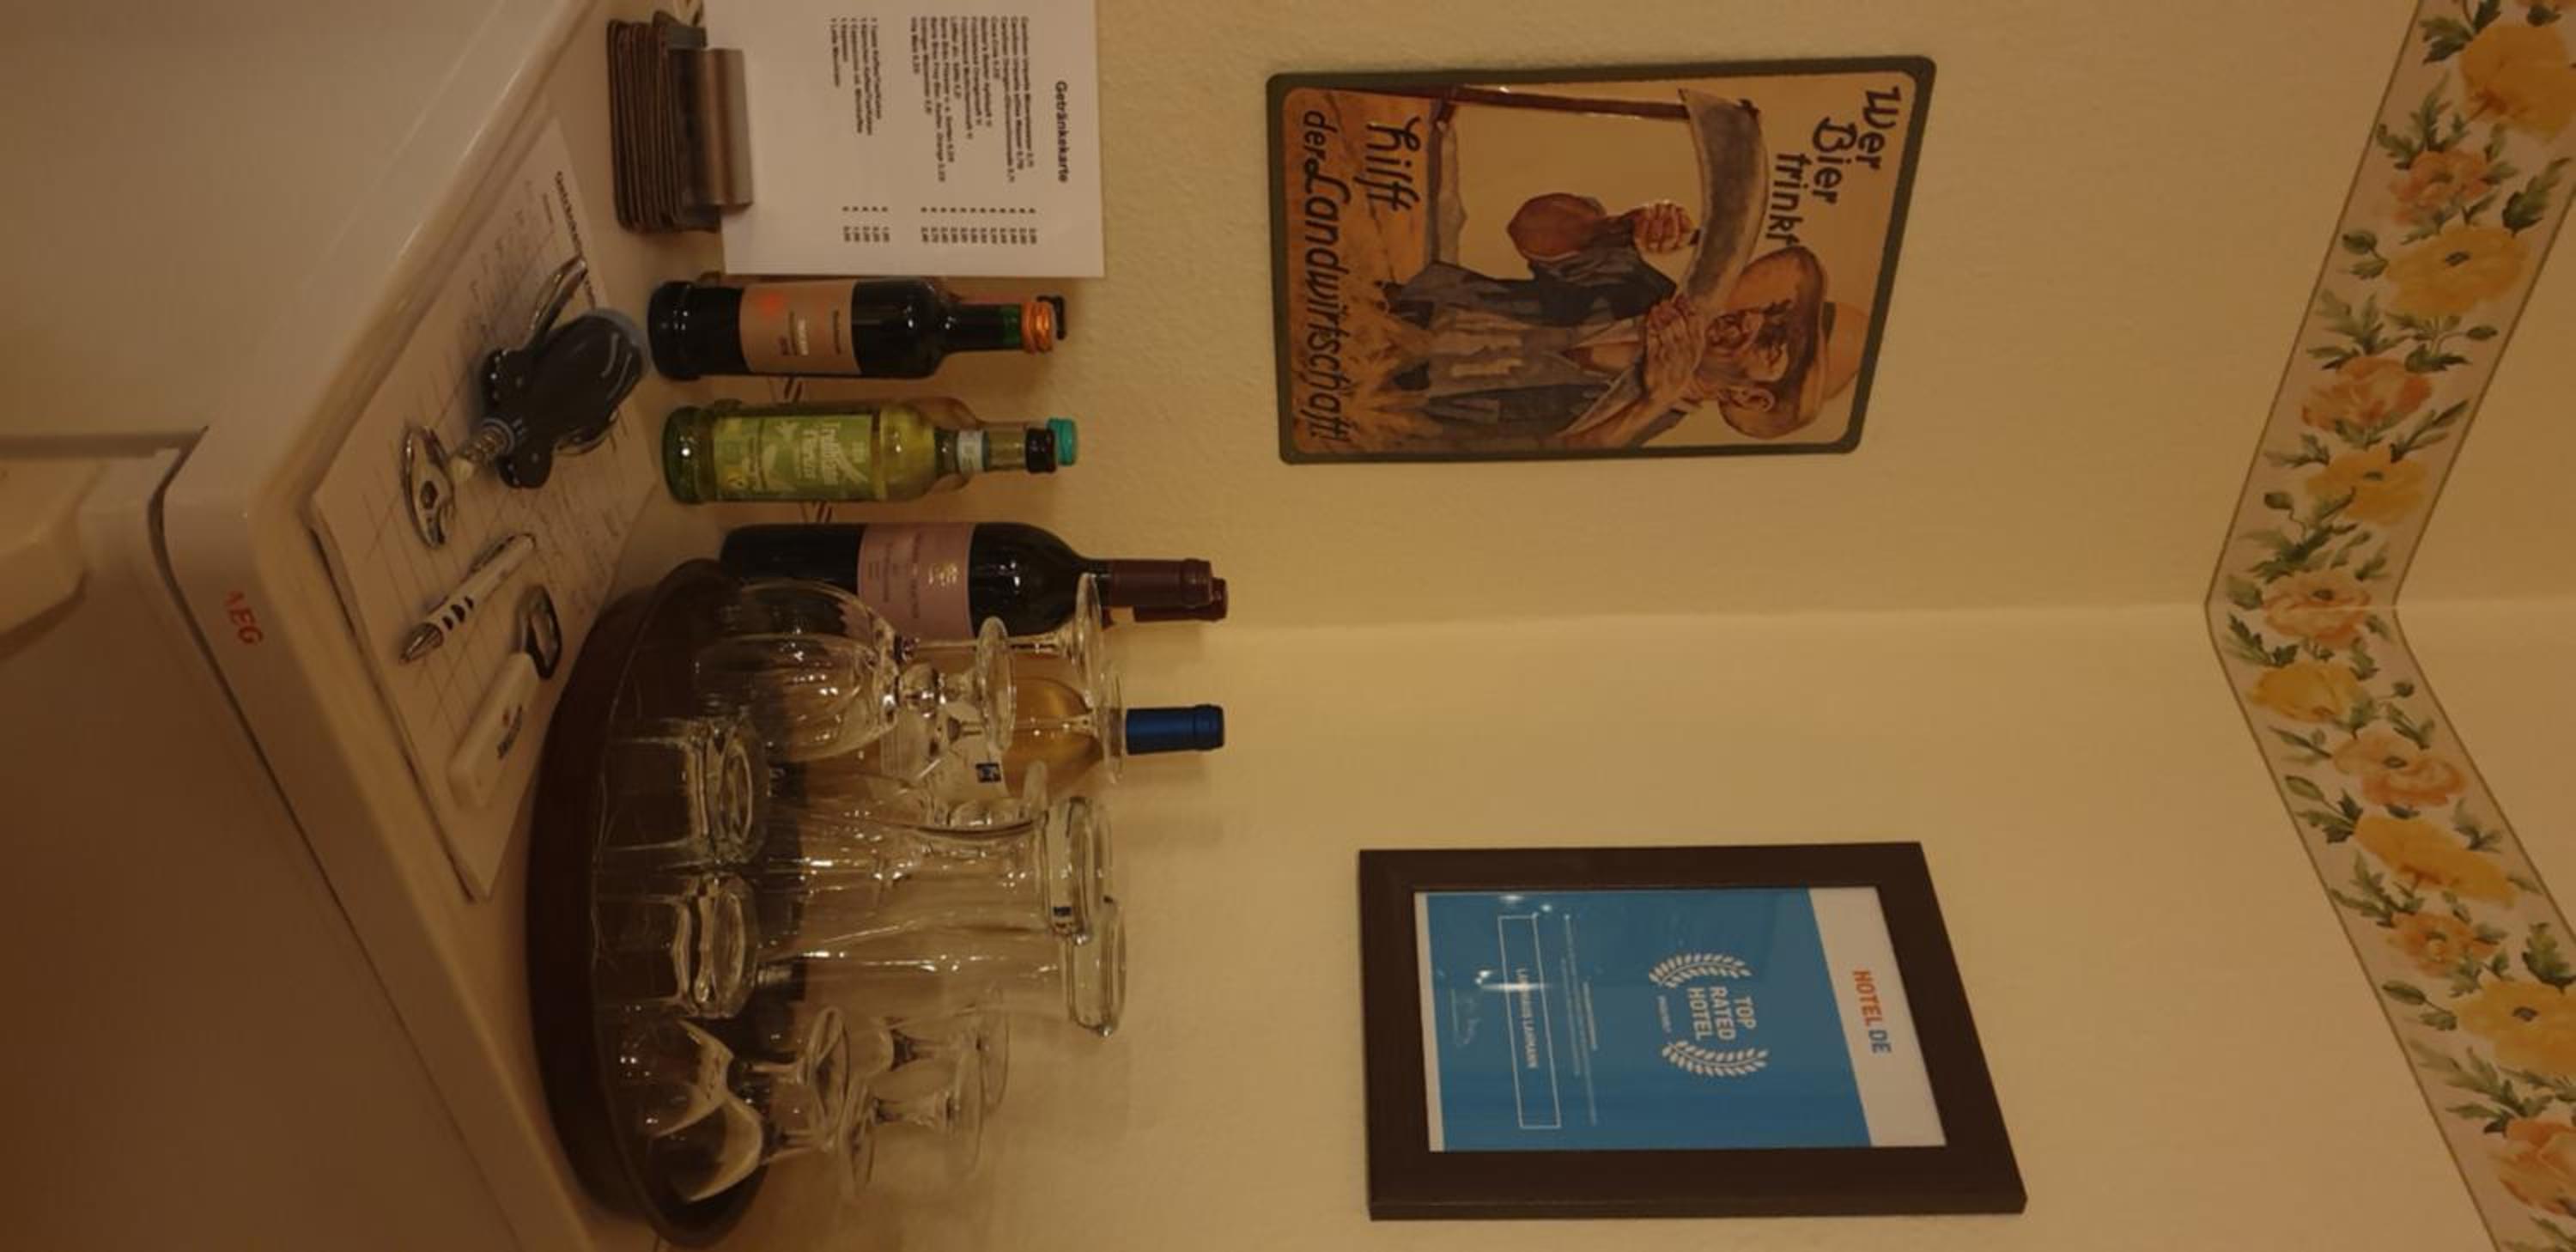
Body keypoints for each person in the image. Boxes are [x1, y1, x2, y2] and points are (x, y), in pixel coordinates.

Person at [1382, 191, 1856, 448]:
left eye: (1772, 340)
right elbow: (1529, 227)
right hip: (1374, 312)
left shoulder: (1649, 419)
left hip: (1371, 404)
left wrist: (1654, 398)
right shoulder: (1639, 290)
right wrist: (1616, 227)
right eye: (1770, 311)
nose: (1749, 320)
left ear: (1751, 396)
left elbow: (1560, 459)